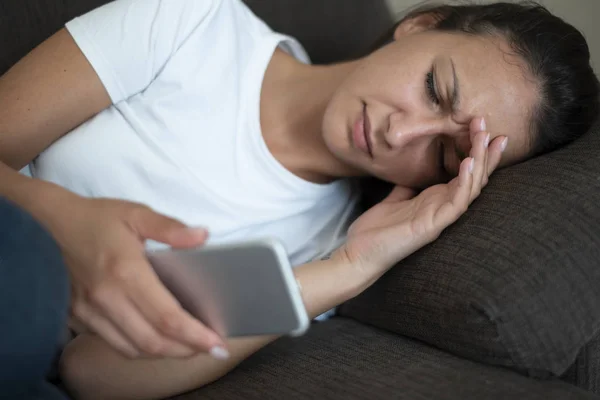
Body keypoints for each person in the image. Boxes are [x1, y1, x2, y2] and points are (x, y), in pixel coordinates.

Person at [0, 0, 597, 398]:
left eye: (443, 155)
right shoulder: (191, 25)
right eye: (434, 89)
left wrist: (348, 269)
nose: (401, 133)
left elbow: (91, 374)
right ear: (421, 23)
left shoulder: (323, 247)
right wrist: (63, 221)